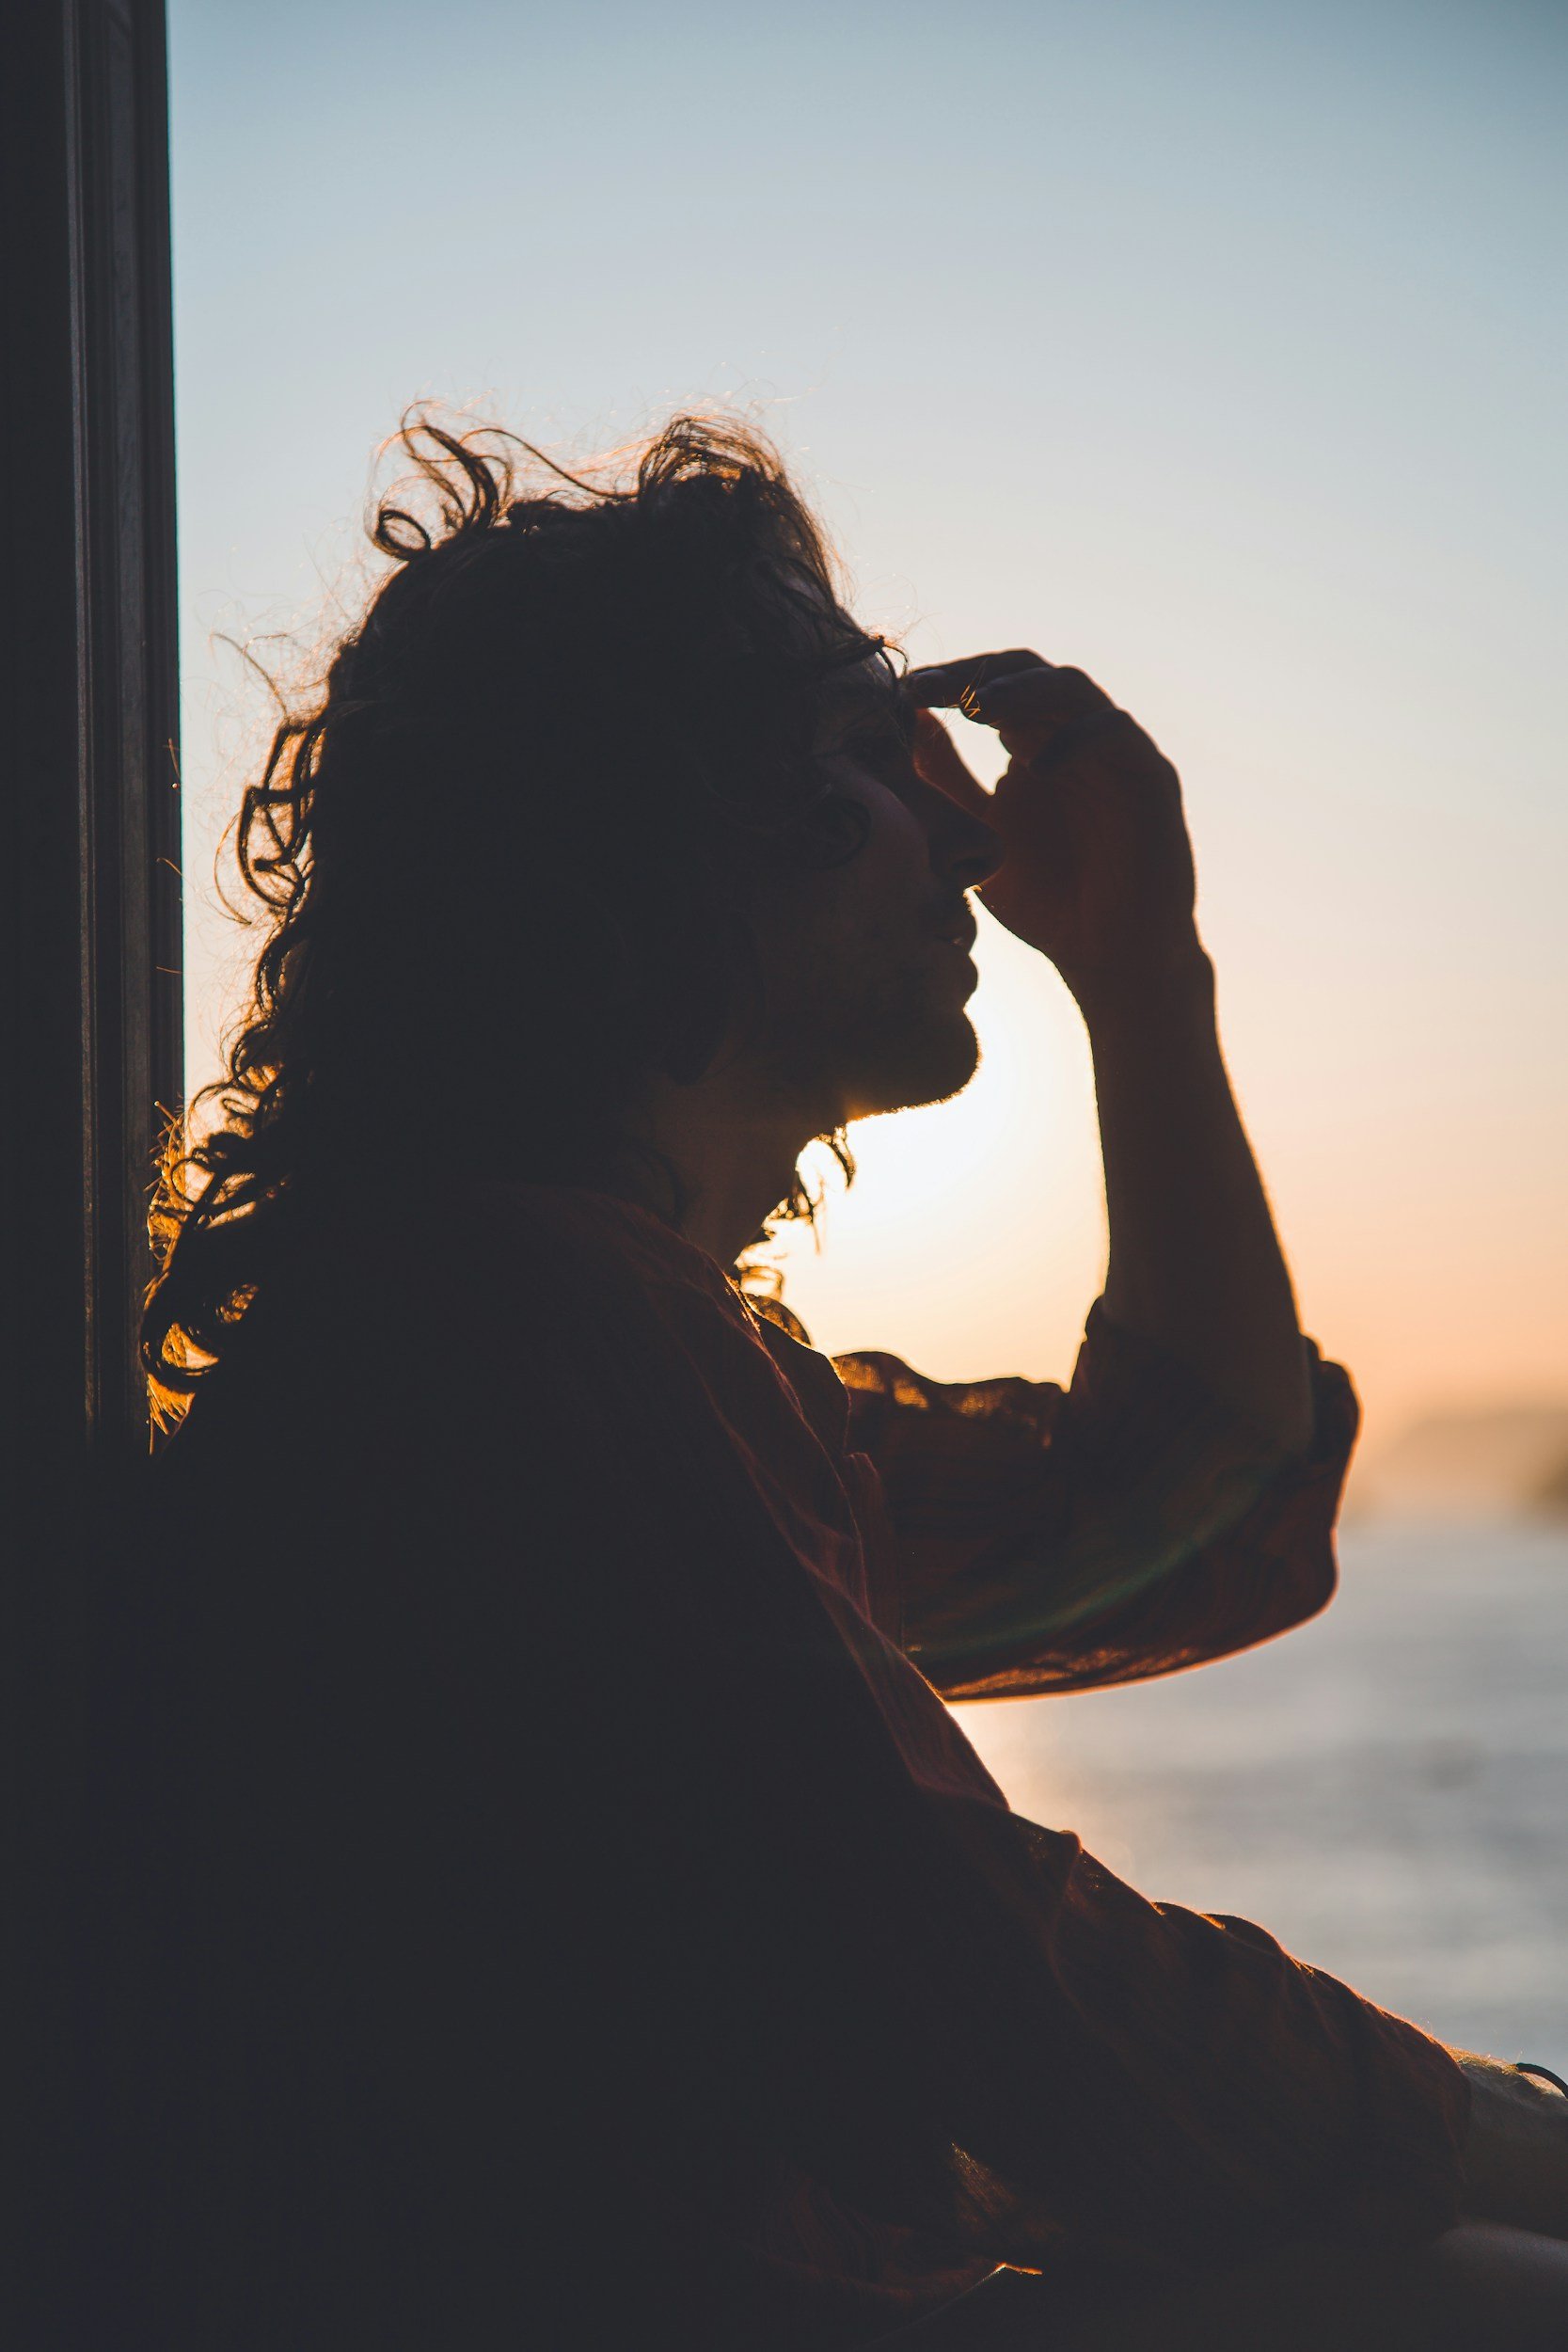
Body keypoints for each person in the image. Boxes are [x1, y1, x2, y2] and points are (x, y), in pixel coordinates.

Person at [89, 414, 1568, 2349]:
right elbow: (1006, 1999)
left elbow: (1189, 1509)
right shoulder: (515, 1335)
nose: (969, 819)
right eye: (878, 743)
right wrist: (1514, 2129)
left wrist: (1143, 967)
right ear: (662, 823)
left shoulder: (588, 1330)